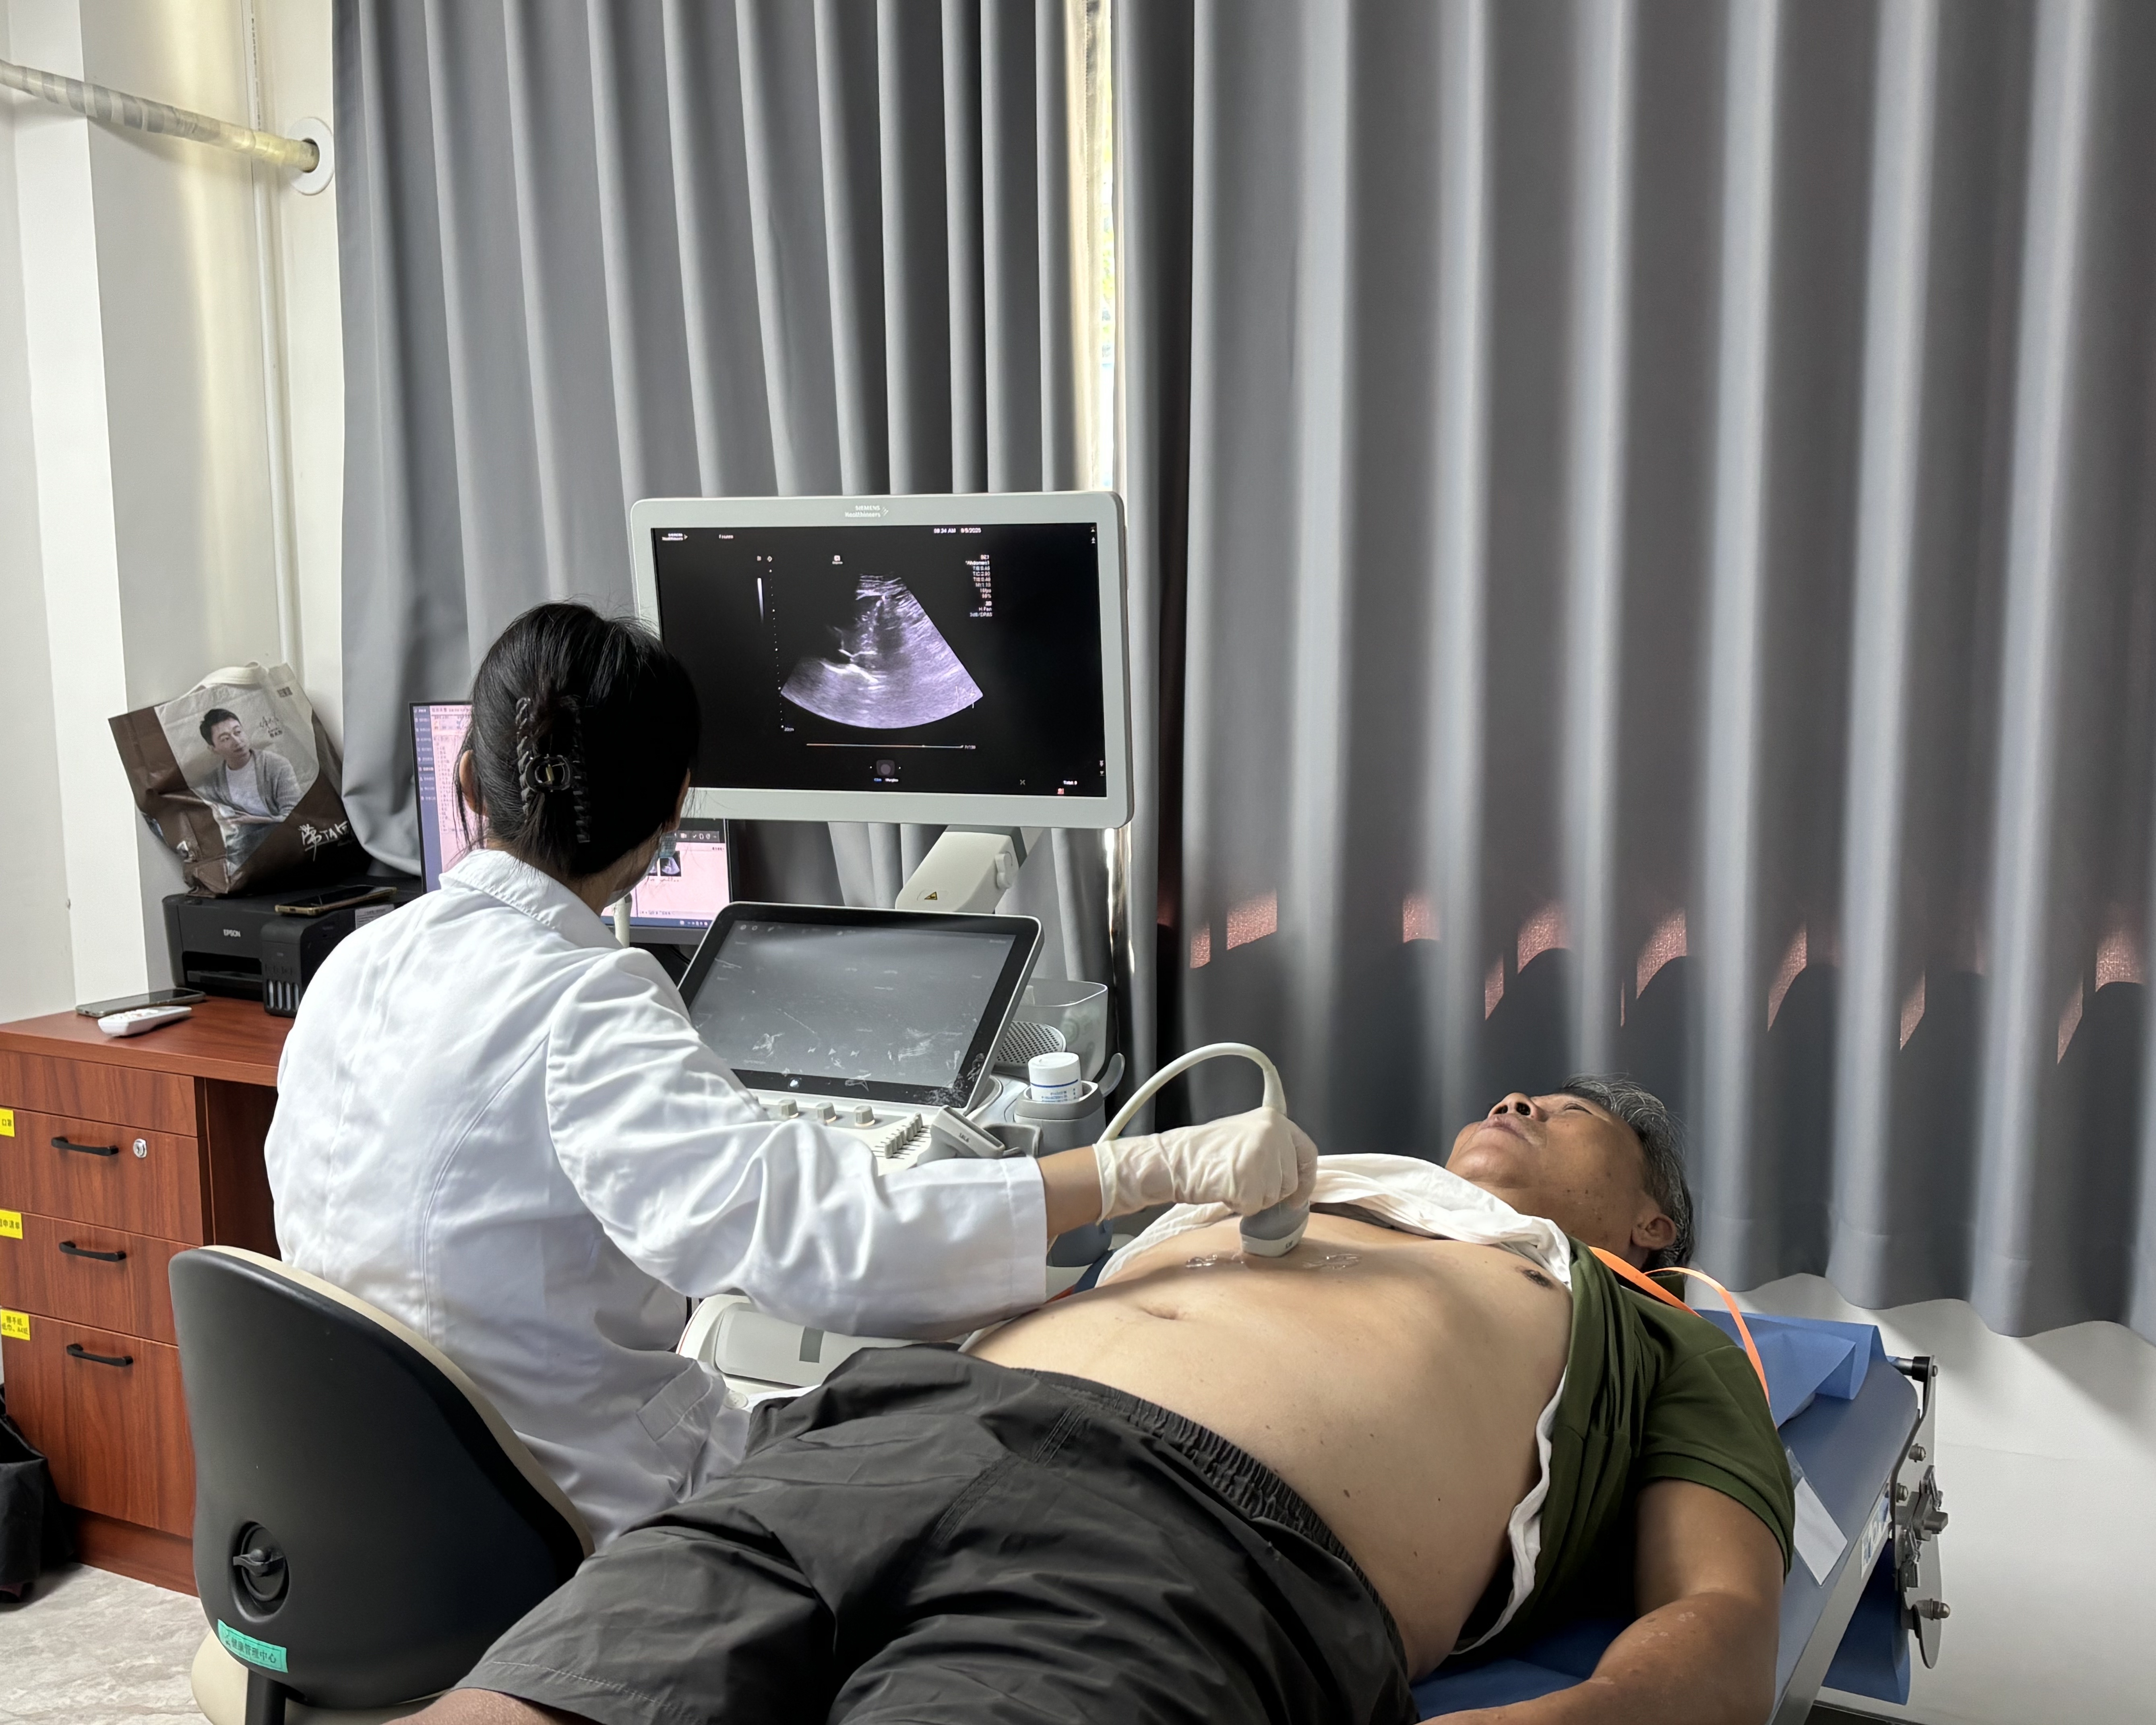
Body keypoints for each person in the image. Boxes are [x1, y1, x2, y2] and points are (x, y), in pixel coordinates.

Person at [264, 603, 1314, 1545]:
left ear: (467, 779)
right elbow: (838, 1245)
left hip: (360, 1523)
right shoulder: (583, 1004)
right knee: (982, 1450)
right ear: (674, 812)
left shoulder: (355, 963)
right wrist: (1145, 1169)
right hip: (567, 1521)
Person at [415, 1078, 1794, 1725]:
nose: (1517, 1096)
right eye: (1515, 1092)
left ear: (1654, 1218)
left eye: (1567, 1108)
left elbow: (1722, 1622)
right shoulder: (1308, 1175)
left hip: (1190, 1535)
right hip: (877, 1435)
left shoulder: (1650, 1323)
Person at [193, 707, 301, 867]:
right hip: (242, 844)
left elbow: (295, 816)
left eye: (238, 732)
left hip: (282, 836)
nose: (237, 741)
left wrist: (256, 820)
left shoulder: (276, 765)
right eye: (225, 739)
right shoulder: (213, 783)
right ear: (213, 749)